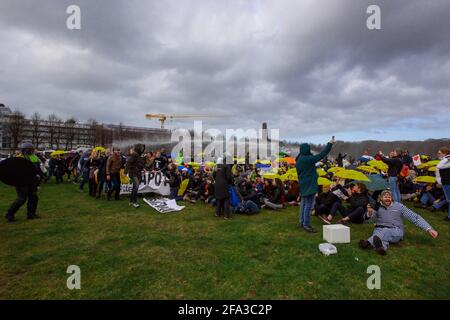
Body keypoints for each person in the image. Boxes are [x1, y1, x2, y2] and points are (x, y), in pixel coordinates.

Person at [359, 190, 438, 255]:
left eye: (389, 197)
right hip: (379, 229)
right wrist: (369, 213)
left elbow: (414, 217)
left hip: (396, 230)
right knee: (381, 235)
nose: (387, 199)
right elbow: (367, 219)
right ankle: (381, 248)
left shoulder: (399, 207)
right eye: (385, 197)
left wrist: (429, 229)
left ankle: (368, 243)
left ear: (392, 198)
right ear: (381, 198)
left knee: (384, 232)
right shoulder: (377, 206)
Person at [296, 137, 335, 233]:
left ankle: (301, 222)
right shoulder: (308, 159)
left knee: (304, 204)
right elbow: (322, 154)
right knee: (308, 205)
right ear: (307, 150)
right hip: (310, 184)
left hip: (303, 184)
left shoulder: (299, 160)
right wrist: (330, 144)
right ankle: (306, 224)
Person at [5, 143, 44, 222]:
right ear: (24, 150)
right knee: (21, 198)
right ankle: (9, 214)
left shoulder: (34, 157)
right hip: (21, 182)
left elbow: (37, 168)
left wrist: (41, 175)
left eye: (30, 150)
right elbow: (14, 171)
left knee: (33, 197)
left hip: (31, 181)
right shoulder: (18, 158)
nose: (29, 151)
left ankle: (31, 214)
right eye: (28, 150)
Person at [436, 147, 450, 221]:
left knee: (449, 200)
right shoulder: (445, 160)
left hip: (448, 182)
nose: (438, 154)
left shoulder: (447, 160)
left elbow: (439, 166)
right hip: (445, 182)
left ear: (444, 153)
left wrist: (447, 158)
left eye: (439, 153)